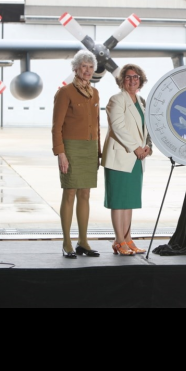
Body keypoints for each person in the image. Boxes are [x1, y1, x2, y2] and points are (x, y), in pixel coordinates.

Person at [52, 50, 101, 259]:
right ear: (75, 68)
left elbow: (97, 126)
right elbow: (56, 127)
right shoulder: (65, 92)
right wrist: (60, 153)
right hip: (71, 148)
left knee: (85, 194)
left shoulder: (95, 93)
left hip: (90, 148)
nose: (87, 70)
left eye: (90, 67)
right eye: (84, 66)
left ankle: (83, 241)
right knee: (70, 192)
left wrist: (98, 153)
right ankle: (67, 242)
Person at [101, 64, 152, 256]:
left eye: (136, 77)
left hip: (137, 158)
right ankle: (118, 241)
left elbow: (146, 129)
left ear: (141, 80)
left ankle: (128, 239)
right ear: (122, 80)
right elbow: (117, 127)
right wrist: (136, 147)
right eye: (128, 77)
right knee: (119, 201)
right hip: (121, 156)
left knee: (129, 201)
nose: (133, 80)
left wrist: (147, 146)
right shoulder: (116, 99)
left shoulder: (141, 101)